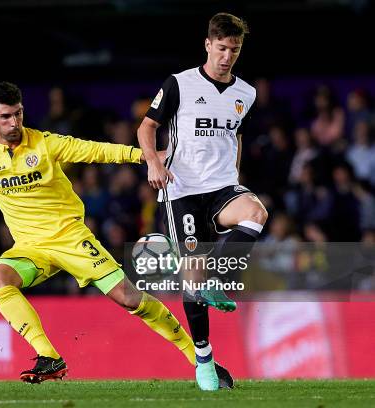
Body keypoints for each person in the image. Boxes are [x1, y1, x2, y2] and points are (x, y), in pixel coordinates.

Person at [0, 81, 232, 387]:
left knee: (128, 298)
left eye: (18, 114)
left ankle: (198, 358)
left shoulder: (44, 143)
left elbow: (94, 150)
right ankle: (48, 356)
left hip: (71, 238)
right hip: (30, 247)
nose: (14, 122)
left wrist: (144, 156)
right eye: (6, 117)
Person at [137, 13, 268, 390]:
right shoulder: (179, 83)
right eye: (222, 48)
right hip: (182, 191)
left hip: (223, 187)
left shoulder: (247, 93)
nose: (227, 56)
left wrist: (236, 173)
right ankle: (204, 359)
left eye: (235, 49)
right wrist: (153, 162)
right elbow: (147, 126)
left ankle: (221, 278)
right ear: (208, 45)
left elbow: (236, 133)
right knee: (191, 274)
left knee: (256, 213)